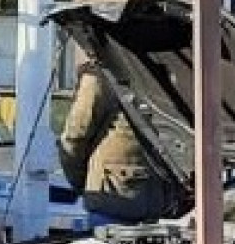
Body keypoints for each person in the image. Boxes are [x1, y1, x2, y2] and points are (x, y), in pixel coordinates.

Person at [59, 55, 176, 223]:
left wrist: (84, 185)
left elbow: (74, 138)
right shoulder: (168, 72)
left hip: (113, 195)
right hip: (155, 198)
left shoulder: (100, 75)